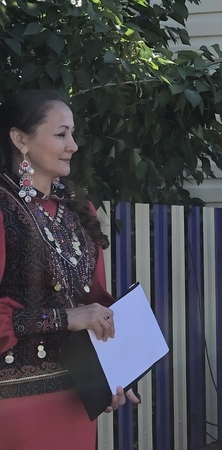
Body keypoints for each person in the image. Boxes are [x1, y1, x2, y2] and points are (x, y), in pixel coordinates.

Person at [0, 90, 138, 449]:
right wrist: (66, 318)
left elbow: (97, 304)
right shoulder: (3, 208)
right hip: (15, 407)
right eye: (61, 134)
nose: (73, 146)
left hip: (76, 399)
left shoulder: (79, 209)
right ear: (20, 139)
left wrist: (116, 371)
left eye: (73, 134)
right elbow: (77, 314)